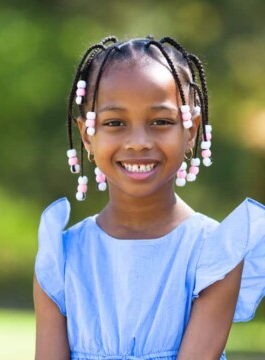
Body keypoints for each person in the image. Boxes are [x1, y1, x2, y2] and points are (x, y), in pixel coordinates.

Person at [33, 35, 265, 360]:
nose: (139, 142)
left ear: (191, 130)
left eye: (161, 122)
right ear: (87, 135)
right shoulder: (62, 256)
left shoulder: (216, 254)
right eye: (115, 122)